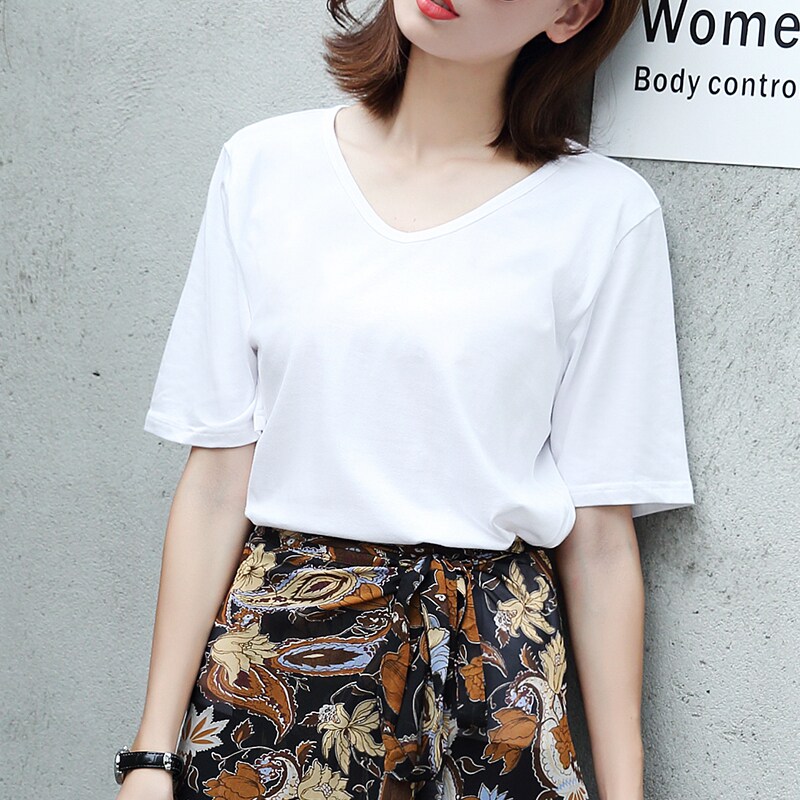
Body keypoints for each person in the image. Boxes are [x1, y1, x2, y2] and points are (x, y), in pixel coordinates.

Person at [115, 0, 696, 798]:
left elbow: (599, 538)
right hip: (282, 657)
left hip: (496, 677)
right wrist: (151, 755)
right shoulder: (265, 166)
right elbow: (217, 482)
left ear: (570, 13)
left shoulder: (606, 213)